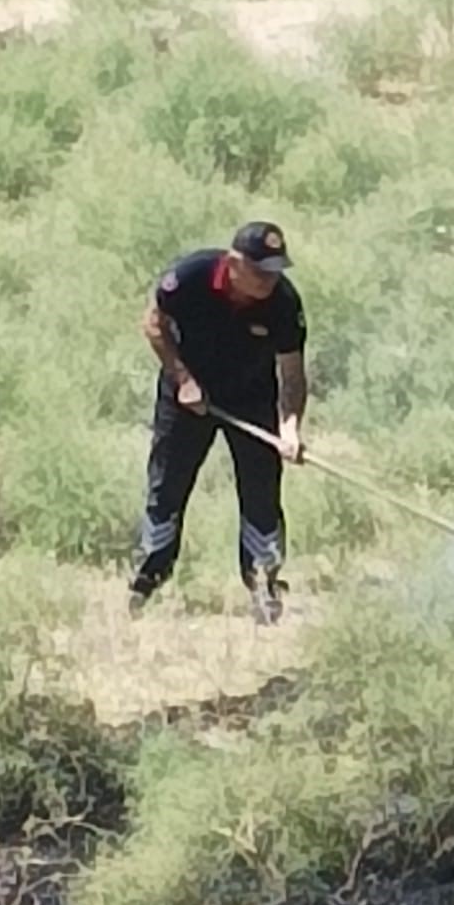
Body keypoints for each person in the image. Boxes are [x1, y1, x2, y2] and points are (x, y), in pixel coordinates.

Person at [128, 220, 307, 626]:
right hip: (188, 395)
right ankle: (148, 576)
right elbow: (154, 324)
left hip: (251, 397)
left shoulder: (283, 303)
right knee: (167, 484)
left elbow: (292, 375)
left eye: (276, 271)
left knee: (261, 493)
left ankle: (263, 584)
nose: (269, 280)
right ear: (234, 263)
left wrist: (290, 427)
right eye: (260, 271)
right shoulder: (188, 278)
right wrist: (183, 379)